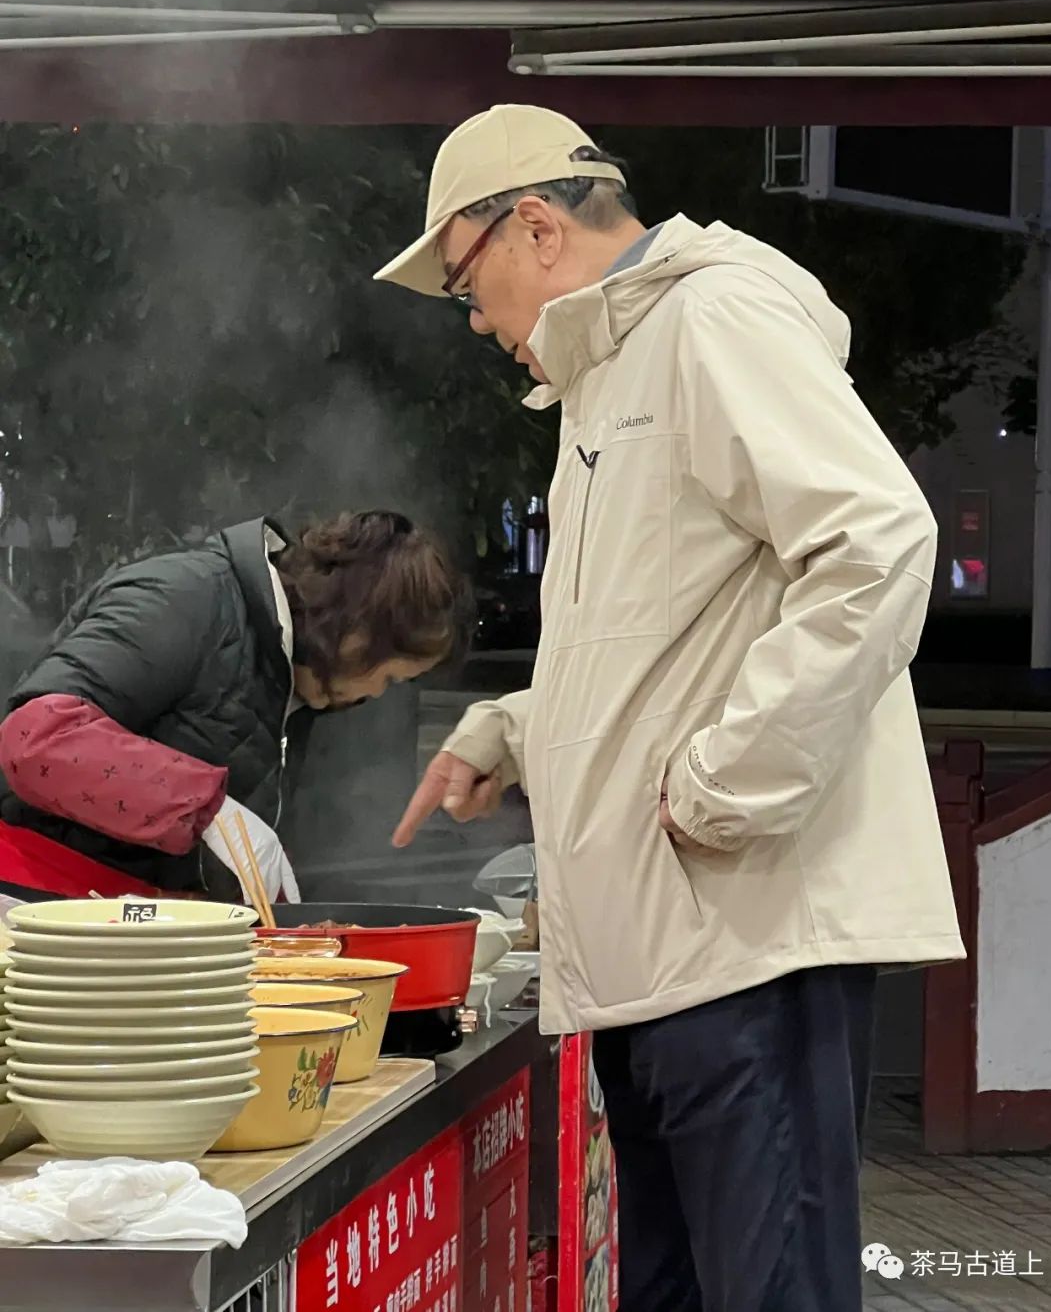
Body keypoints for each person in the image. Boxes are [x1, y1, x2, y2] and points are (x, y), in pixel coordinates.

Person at [377, 105, 965, 1312]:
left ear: (535, 225)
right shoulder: (610, 382)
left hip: (749, 947)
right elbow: (657, 651)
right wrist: (511, 730)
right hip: (666, 964)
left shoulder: (711, 317)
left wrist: (727, 786)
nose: (478, 322)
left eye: (466, 282)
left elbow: (878, 543)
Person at [0, 512, 465, 905]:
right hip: (33, 898)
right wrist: (205, 807)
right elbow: (36, 738)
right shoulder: (186, 598)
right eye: (390, 677)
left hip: (129, 917)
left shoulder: (286, 675)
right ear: (359, 634)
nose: (378, 695)